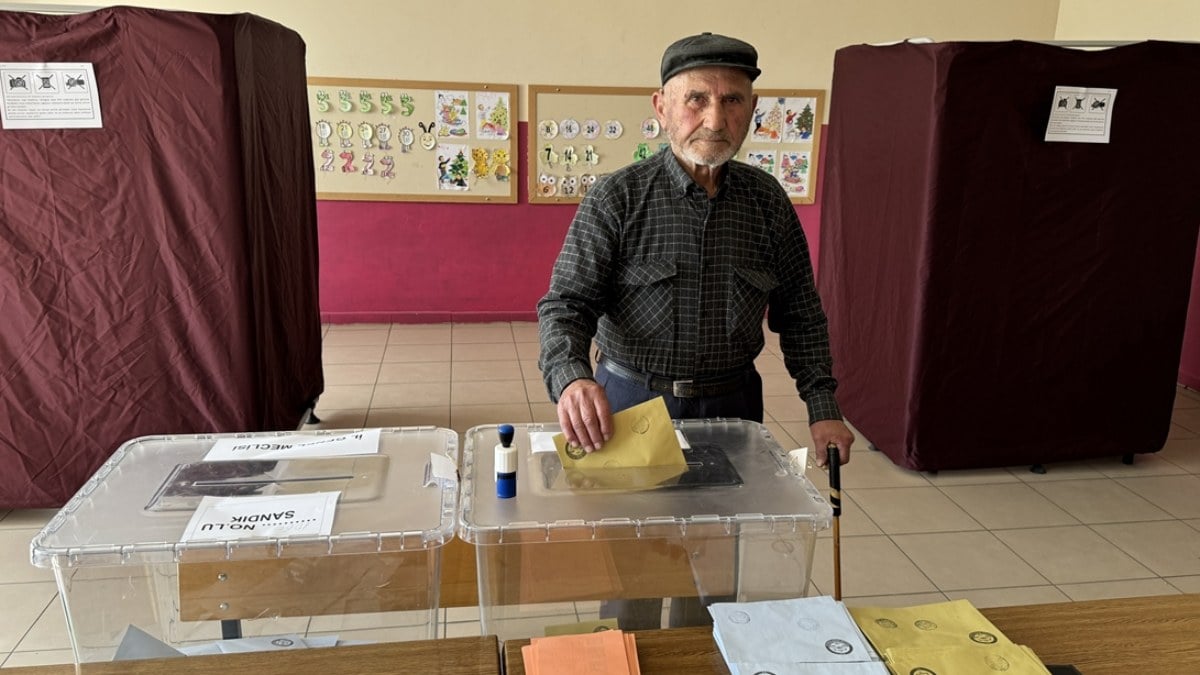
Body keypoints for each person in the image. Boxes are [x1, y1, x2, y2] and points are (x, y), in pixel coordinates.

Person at [538, 31, 854, 471]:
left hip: (734, 407)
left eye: (732, 102)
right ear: (661, 107)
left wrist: (822, 408)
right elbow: (566, 305)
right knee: (632, 536)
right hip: (631, 405)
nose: (715, 120)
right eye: (697, 99)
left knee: (722, 535)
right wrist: (571, 379)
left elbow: (800, 312)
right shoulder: (617, 198)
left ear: (752, 109)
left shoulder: (767, 202)